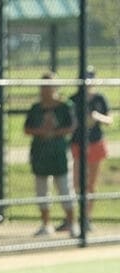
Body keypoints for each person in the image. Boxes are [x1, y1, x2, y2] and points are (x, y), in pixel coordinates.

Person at [24, 72, 77, 237]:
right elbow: (27, 128)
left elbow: (72, 126)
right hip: (40, 153)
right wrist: (41, 131)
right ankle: (46, 225)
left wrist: (54, 132)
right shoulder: (36, 108)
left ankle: (72, 223)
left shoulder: (64, 106)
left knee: (65, 188)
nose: (46, 89)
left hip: (58, 153)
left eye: (49, 86)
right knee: (42, 190)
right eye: (43, 86)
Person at [69, 66, 113, 231]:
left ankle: (87, 218)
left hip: (96, 142)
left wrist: (97, 117)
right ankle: (74, 218)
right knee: (77, 183)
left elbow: (110, 120)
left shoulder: (99, 98)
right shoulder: (74, 99)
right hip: (78, 143)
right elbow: (69, 122)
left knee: (91, 184)